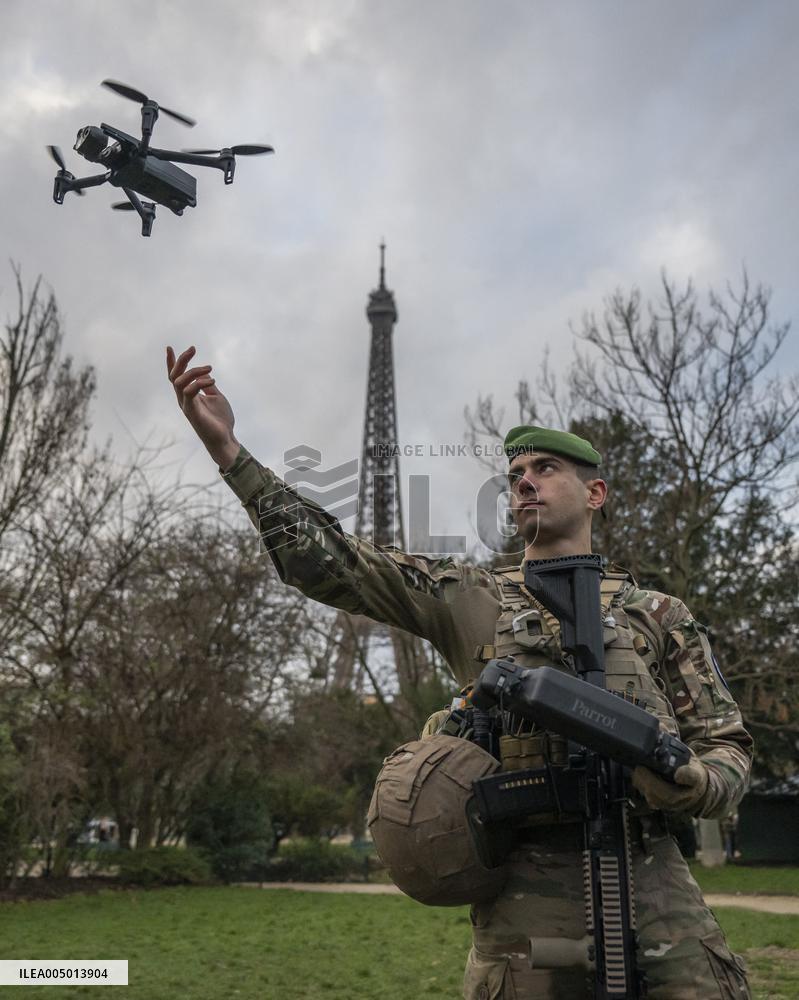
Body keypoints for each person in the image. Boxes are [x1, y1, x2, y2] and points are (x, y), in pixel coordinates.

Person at [167, 345, 753, 999]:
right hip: (527, 910)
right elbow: (332, 562)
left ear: (594, 492)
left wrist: (694, 781)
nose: (524, 480)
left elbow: (727, 746)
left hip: (659, 895)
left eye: (545, 468)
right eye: (515, 473)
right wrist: (231, 456)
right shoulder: (471, 597)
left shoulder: (660, 616)